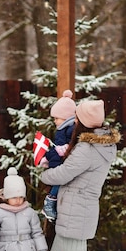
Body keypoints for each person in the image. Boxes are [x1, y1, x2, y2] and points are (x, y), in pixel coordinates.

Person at [40, 99, 120, 251]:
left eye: (77, 117)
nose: (73, 120)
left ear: (84, 122)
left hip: (76, 208)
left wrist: (43, 174)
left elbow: (65, 172)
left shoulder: (87, 148)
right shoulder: (101, 144)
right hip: (80, 207)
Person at [41, 89, 76, 221]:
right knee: (58, 183)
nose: (55, 121)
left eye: (56, 118)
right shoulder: (63, 128)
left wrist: (64, 149)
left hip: (62, 162)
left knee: (59, 183)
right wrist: (48, 157)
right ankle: (51, 204)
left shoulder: (70, 129)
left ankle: (50, 202)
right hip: (59, 161)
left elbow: (66, 146)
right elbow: (57, 148)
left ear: (66, 117)